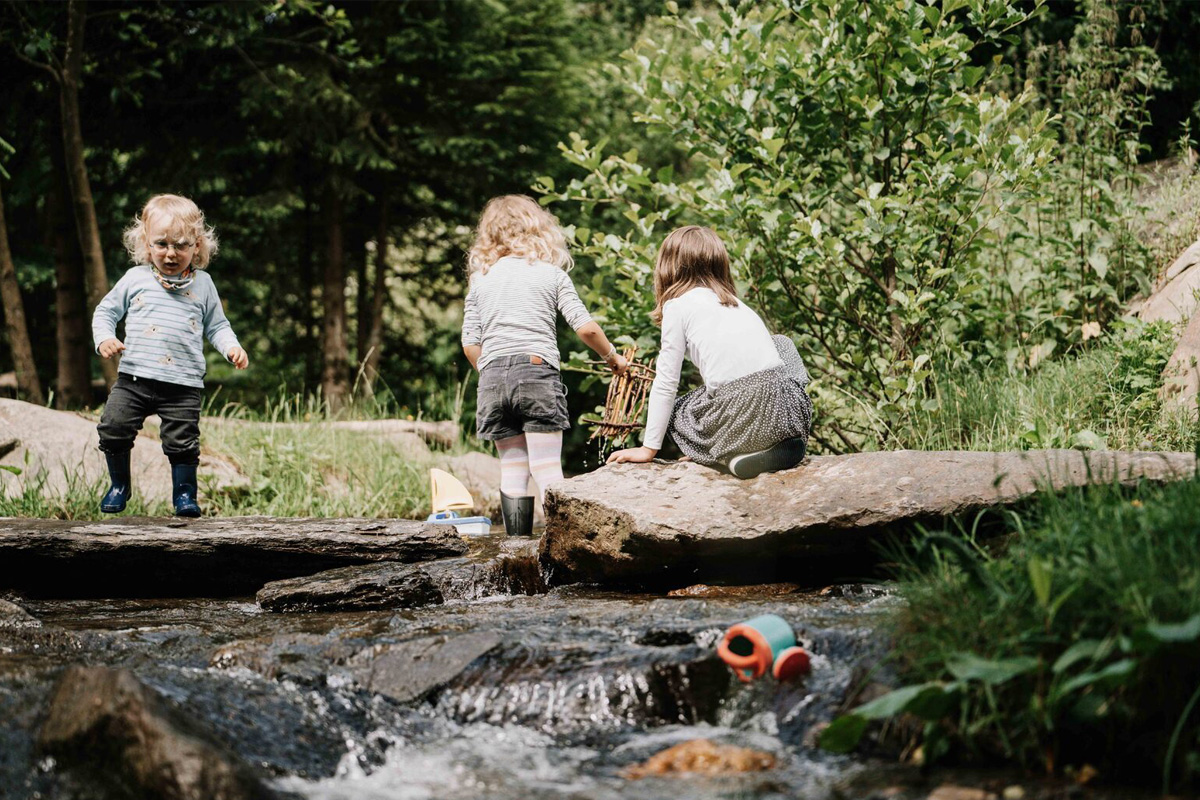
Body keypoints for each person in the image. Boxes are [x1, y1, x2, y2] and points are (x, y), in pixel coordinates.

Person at [461, 195, 626, 535]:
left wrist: (493, 372)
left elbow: (469, 344)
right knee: (546, 466)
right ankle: (561, 547)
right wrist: (613, 357)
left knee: (513, 467)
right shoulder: (551, 275)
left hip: (491, 379)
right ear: (537, 228)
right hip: (536, 373)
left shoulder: (481, 280)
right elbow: (586, 328)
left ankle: (516, 548)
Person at [606, 225, 811, 478]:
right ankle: (775, 445)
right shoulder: (737, 304)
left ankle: (720, 453)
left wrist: (649, 448)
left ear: (668, 267)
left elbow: (666, 382)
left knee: (680, 410)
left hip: (740, 416)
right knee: (781, 343)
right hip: (785, 409)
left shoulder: (677, 306)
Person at [92, 194, 249, 517]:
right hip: (134, 378)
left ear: (197, 246)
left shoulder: (203, 284)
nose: (170, 253)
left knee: (183, 443)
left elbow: (217, 326)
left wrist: (231, 346)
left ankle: (185, 495)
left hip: (182, 384)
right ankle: (119, 485)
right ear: (146, 243)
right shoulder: (135, 279)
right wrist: (105, 338)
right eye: (161, 243)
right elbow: (105, 312)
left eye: (181, 244)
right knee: (113, 427)